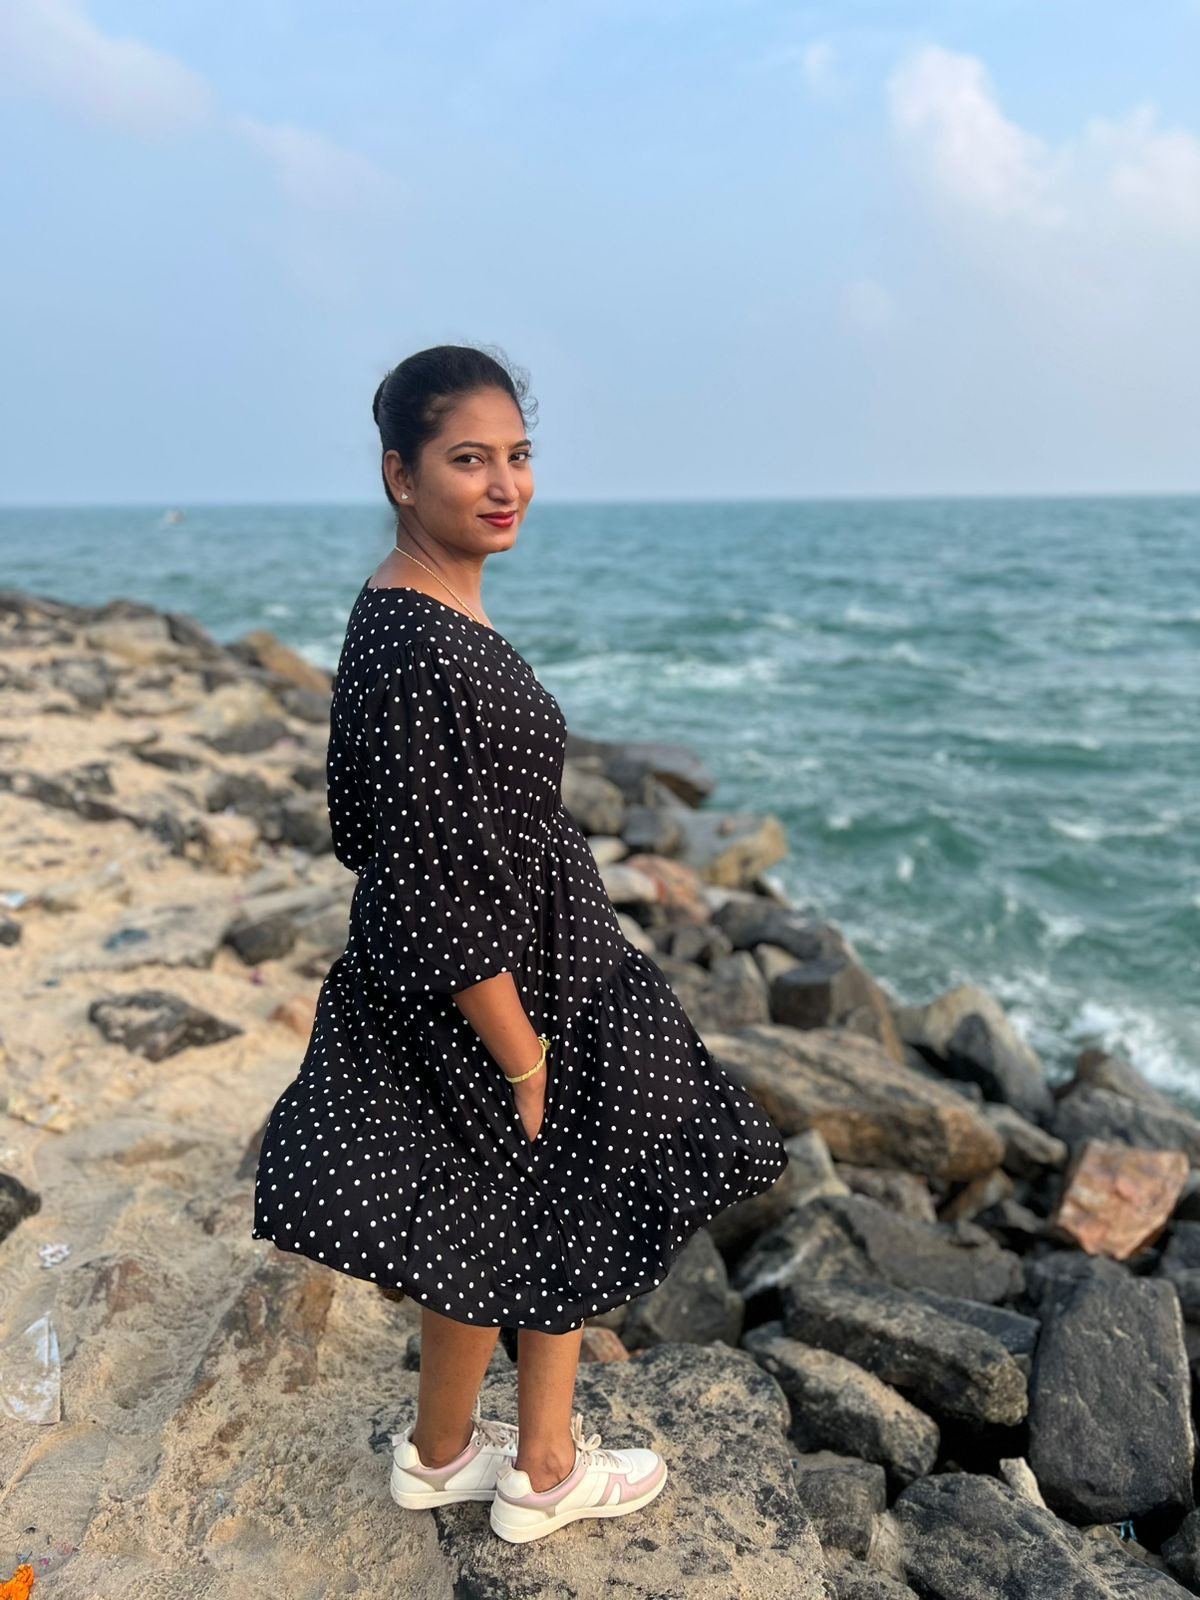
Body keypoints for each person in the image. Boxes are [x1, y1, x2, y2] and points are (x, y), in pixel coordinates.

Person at [251, 343, 789, 1544]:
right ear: (400, 474)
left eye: (519, 455)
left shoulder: (416, 606)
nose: (505, 485)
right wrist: (525, 1052)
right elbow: (429, 876)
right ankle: (545, 1467)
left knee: (482, 1215)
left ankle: (442, 1451)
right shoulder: (420, 647)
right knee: (564, 1198)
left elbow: (375, 827)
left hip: (506, 965)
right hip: (507, 987)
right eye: (468, 459)